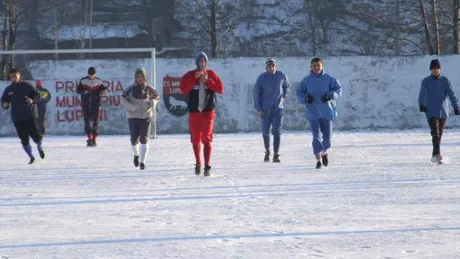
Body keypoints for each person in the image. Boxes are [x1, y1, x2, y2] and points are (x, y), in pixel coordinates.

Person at [179, 51, 224, 176]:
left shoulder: (211, 74)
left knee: (207, 138)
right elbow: (183, 89)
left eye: (204, 61)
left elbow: (220, 89)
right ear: (197, 63)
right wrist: (194, 79)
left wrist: (208, 81)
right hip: (195, 112)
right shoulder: (190, 75)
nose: (202, 63)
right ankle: (198, 163)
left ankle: (207, 166)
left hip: (208, 111)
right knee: (195, 140)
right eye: (200, 61)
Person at [296, 57, 343, 169]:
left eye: (318, 65)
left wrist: (330, 95)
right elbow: (299, 93)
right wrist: (306, 98)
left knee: (327, 139)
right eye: (314, 66)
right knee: (316, 137)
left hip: (327, 112)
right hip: (313, 113)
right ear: (311, 67)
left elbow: (339, 89)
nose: (316, 68)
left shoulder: (329, 78)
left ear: (322, 66)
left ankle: (324, 152)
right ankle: (318, 159)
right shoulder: (306, 80)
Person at [418, 59, 460, 164]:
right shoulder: (426, 81)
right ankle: (437, 155)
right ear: (430, 70)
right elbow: (422, 94)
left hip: (443, 112)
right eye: (433, 69)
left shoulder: (445, 81)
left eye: (437, 68)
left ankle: (435, 155)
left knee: (439, 135)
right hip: (431, 111)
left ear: (440, 69)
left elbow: (451, 94)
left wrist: (456, 106)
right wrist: (422, 104)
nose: (435, 70)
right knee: (435, 134)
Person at [1, 68, 45, 164]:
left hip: (30, 116)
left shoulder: (27, 86)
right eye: (11, 77)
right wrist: (4, 104)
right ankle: (31, 157)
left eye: (15, 76)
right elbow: (4, 101)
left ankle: (39, 147)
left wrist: (32, 100)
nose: (13, 78)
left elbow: (38, 96)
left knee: (36, 137)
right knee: (24, 139)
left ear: (19, 75)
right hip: (17, 118)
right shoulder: (8, 89)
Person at [121, 68, 160, 170]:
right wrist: (131, 107)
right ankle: (136, 155)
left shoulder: (150, 89)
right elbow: (123, 99)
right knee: (134, 140)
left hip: (146, 116)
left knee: (144, 138)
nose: (140, 79)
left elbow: (157, 97)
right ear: (135, 78)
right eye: (138, 77)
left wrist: (153, 103)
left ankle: (142, 162)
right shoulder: (130, 89)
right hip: (133, 117)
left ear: (145, 77)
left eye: (142, 76)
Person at [253, 58, 290, 163]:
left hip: (278, 109)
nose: (271, 67)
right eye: (269, 66)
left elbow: (287, 86)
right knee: (265, 131)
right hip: (265, 109)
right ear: (266, 68)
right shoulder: (261, 78)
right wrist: (258, 108)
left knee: (277, 131)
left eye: (273, 65)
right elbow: (256, 93)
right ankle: (267, 151)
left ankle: (276, 154)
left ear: (275, 66)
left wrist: (284, 96)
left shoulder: (281, 75)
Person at [76, 66, 106, 147]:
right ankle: (89, 138)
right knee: (87, 122)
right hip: (86, 104)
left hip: (95, 104)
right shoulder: (83, 80)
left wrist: (101, 92)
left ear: (95, 74)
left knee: (95, 122)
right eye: (89, 74)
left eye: (92, 75)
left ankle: (94, 139)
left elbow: (103, 89)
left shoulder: (99, 81)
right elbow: (77, 90)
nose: (91, 76)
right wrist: (83, 91)